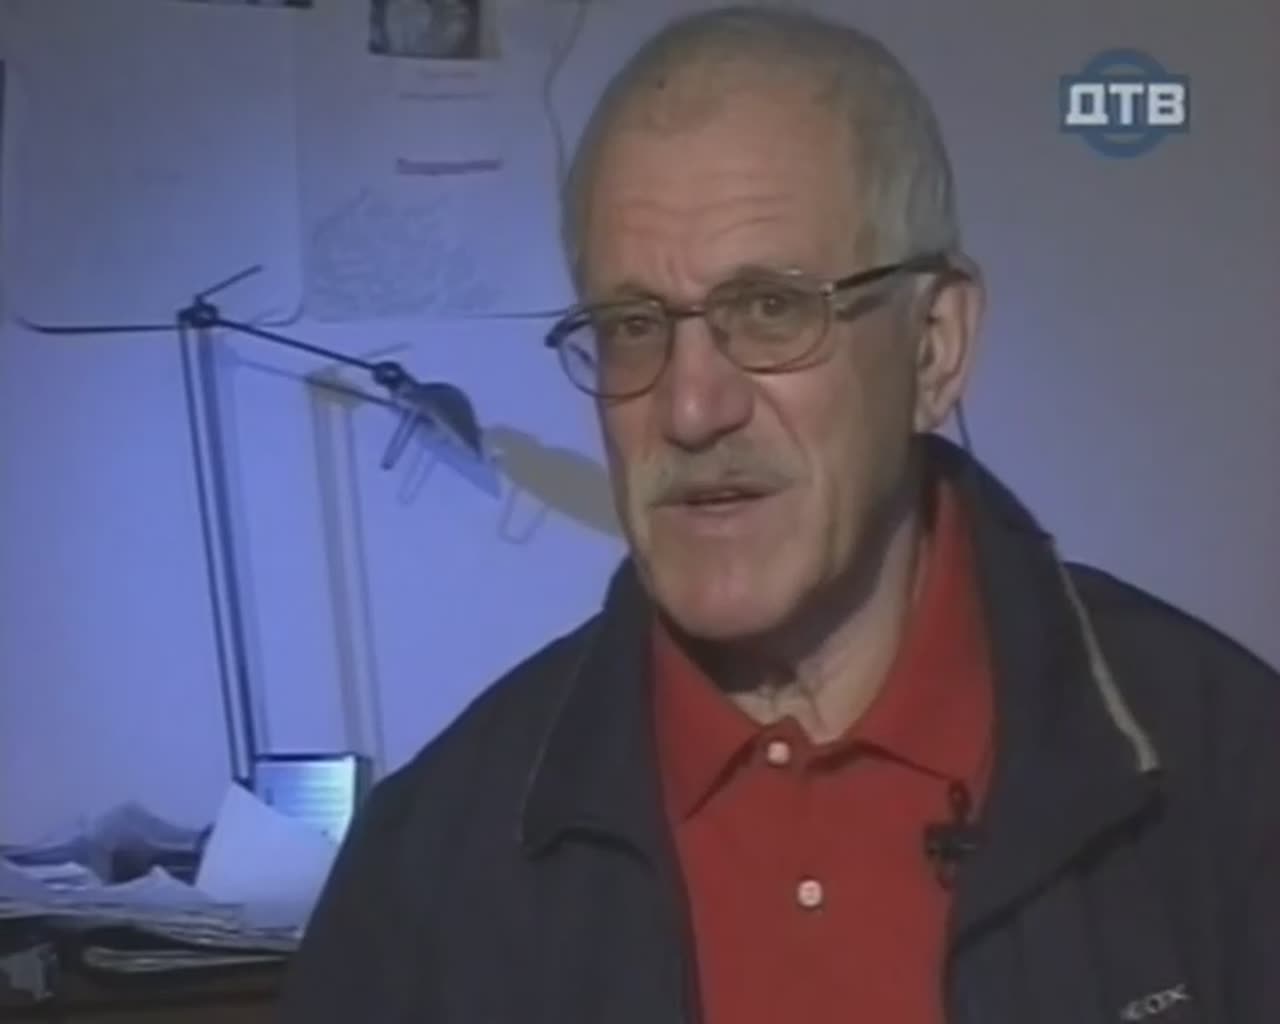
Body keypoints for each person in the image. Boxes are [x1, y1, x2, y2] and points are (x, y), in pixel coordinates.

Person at [281, 6, 1278, 1022]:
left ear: (933, 347)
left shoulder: (1228, 776)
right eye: (633, 326)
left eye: (769, 310)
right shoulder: (429, 864)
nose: (690, 407)